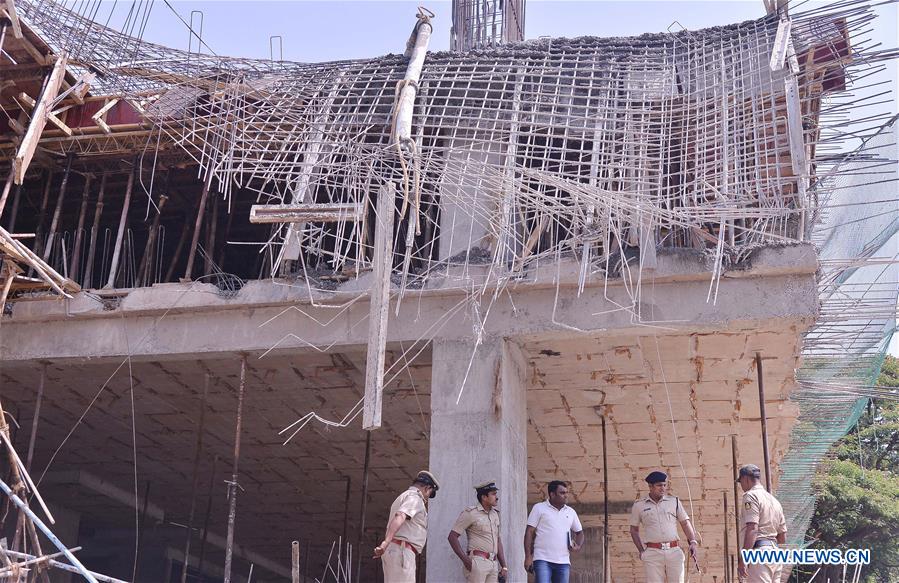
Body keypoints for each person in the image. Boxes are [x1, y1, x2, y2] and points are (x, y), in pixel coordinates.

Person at [628, 471, 699, 583]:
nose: (663, 488)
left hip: (674, 551)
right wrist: (642, 551)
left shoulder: (674, 502)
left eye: (664, 485)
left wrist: (693, 542)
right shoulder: (639, 505)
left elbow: (685, 523)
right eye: (659, 485)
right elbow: (633, 530)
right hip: (652, 553)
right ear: (650, 486)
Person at [373, 470, 440, 583]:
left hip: (396, 551)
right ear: (427, 488)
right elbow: (400, 516)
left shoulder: (403, 496)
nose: (428, 498)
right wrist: (385, 542)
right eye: (430, 493)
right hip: (402, 551)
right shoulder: (415, 498)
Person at [523, 480, 584, 583]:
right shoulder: (539, 508)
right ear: (552, 494)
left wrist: (578, 546)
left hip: (563, 562)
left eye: (566, 492)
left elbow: (580, 533)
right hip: (542, 560)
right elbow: (529, 532)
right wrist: (528, 557)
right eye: (562, 493)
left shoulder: (571, 512)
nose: (566, 495)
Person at [448, 480, 509, 583]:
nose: (497, 497)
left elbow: (498, 540)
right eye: (493, 494)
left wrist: (504, 566)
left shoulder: (495, 515)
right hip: (478, 562)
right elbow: (452, 537)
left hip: (493, 564)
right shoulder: (471, 513)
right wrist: (466, 561)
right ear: (484, 497)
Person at [737, 464, 786, 583]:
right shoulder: (775, 501)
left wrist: (744, 558)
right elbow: (782, 537)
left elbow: (753, 528)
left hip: (760, 553)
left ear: (746, 479)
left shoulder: (750, 496)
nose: (741, 486)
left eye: (741, 482)